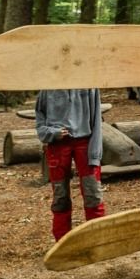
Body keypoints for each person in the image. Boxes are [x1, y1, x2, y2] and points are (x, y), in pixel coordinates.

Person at [34, 88, 106, 240]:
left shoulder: (89, 84)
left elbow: (97, 122)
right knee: (60, 197)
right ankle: (62, 242)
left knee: (93, 193)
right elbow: (40, 119)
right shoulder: (48, 86)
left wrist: (94, 154)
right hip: (58, 145)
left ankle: (98, 240)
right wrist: (51, 133)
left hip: (85, 143)